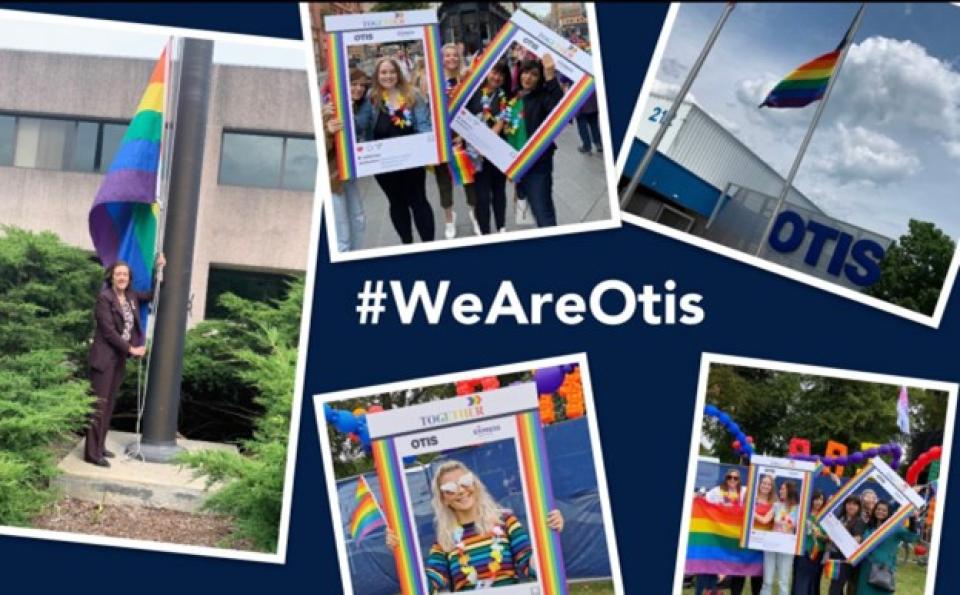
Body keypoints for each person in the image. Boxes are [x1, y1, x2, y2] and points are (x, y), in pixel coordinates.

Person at [386, 460, 563, 592]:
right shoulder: (444, 541)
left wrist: (549, 533)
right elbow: (428, 585)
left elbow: (532, 567)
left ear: (475, 485)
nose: (461, 490)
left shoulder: (505, 521)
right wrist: (401, 553)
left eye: (465, 481)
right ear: (443, 499)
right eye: (450, 488)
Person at [85, 253, 165, 467]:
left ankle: (100, 446)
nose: (122, 277)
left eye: (125, 275)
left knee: (109, 405)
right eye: (118, 274)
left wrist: (159, 271)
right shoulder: (105, 298)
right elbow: (109, 332)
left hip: (118, 360)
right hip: (103, 360)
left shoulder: (130, 297)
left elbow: (152, 295)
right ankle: (92, 454)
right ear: (112, 277)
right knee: (98, 406)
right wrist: (132, 349)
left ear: (129, 278)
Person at [366, 57, 434, 244]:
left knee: (418, 200)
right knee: (396, 202)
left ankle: (429, 245)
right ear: (377, 76)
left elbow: (423, 125)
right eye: (384, 72)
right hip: (383, 165)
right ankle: (407, 243)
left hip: (412, 162)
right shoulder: (371, 98)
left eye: (392, 71)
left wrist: (428, 150)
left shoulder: (413, 94)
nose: (388, 76)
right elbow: (362, 125)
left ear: (398, 73)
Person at [495, 54, 563, 227]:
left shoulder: (542, 97)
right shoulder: (514, 97)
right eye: (525, 72)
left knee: (542, 211)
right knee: (532, 208)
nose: (528, 77)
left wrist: (550, 77)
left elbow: (559, 109)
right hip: (517, 164)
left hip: (537, 164)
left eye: (534, 74)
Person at [424, 43, 479, 238]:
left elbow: (475, 105)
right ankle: (449, 219)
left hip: (465, 136)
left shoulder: (466, 78)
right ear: (441, 59)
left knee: (470, 178)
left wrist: (464, 133)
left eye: (454, 55)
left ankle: (475, 215)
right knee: (443, 180)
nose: (451, 59)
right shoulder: (433, 81)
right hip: (442, 138)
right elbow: (427, 109)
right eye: (447, 56)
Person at [323, 68, 373, 252]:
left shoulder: (361, 106)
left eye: (362, 85)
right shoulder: (329, 109)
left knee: (358, 220)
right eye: (354, 84)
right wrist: (327, 132)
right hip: (333, 180)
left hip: (349, 176)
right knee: (342, 234)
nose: (359, 89)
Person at [696, 469, 761, 595]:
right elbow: (705, 500)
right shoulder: (717, 491)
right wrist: (697, 497)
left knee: (738, 564)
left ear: (739, 480)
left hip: (737, 535)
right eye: (729, 477)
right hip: (720, 534)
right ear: (725, 478)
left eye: (735, 478)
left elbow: (756, 493)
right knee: (718, 563)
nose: (732, 480)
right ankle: (712, 590)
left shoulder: (743, 491)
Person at [466, 61, 511, 234]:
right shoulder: (472, 93)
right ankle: (485, 231)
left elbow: (502, 121)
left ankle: (501, 227)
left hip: (496, 152)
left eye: (501, 74)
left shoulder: (504, 96)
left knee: (499, 191)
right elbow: (462, 118)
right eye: (494, 72)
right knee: (482, 196)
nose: (497, 77)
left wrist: (486, 142)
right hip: (475, 154)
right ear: (486, 72)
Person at [855, 501, 919, 595]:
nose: (880, 511)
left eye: (884, 510)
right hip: (866, 568)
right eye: (878, 509)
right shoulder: (869, 527)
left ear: (889, 512)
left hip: (883, 569)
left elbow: (911, 537)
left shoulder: (894, 528)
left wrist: (913, 518)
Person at [761, 480, 798, 595]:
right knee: (767, 581)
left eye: (783, 489)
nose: (780, 491)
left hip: (787, 547)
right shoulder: (776, 505)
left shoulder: (798, 509)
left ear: (789, 491)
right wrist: (750, 512)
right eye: (780, 488)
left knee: (783, 581)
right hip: (772, 545)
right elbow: (765, 519)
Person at [826, 495, 866, 595]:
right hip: (834, 556)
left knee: (835, 589)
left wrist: (838, 536)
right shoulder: (840, 518)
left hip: (846, 559)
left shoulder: (859, 521)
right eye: (849, 503)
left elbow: (857, 539)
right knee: (835, 586)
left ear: (859, 507)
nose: (851, 506)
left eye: (854, 504)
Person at [792, 491, 827, 595]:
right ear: (811, 500)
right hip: (803, 552)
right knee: (801, 580)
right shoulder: (803, 514)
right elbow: (795, 530)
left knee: (814, 580)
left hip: (818, 553)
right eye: (816, 499)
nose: (818, 502)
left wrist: (820, 536)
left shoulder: (826, 517)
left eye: (821, 499)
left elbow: (829, 538)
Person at [575, 90, 602, 154]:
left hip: (581, 102)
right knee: (594, 124)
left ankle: (587, 146)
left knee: (582, 126)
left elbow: (563, 82)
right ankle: (598, 143)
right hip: (593, 100)